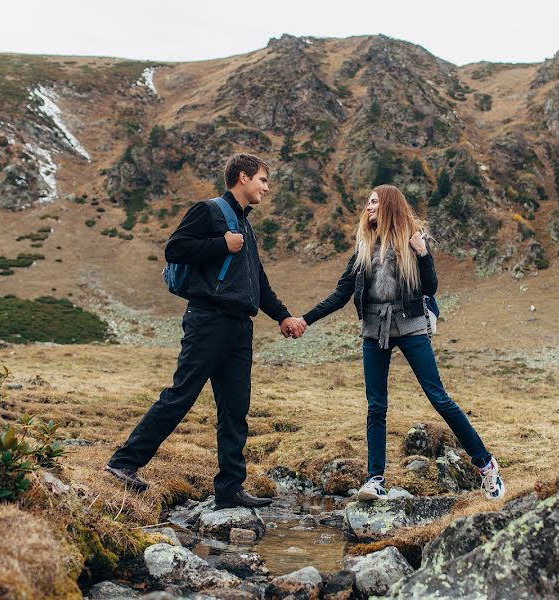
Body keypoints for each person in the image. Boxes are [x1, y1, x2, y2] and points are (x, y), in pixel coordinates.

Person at [105, 153, 306, 509]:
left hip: (240, 329)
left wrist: (283, 315)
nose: (266, 187)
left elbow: (256, 279)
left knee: (235, 408)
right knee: (181, 394)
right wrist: (220, 245)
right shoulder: (209, 211)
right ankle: (123, 463)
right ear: (242, 177)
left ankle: (229, 488)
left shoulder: (246, 224)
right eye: (262, 180)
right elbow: (175, 249)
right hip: (208, 320)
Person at [292, 184, 505, 501]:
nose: (369, 207)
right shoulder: (364, 247)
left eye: (374, 202)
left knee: (439, 397)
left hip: (410, 325)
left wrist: (422, 253)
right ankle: (375, 479)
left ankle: (486, 465)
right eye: (368, 203)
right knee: (376, 406)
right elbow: (341, 294)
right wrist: (305, 320)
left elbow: (430, 286)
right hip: (374, 328)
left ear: (390, 205)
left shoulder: (413, 239)